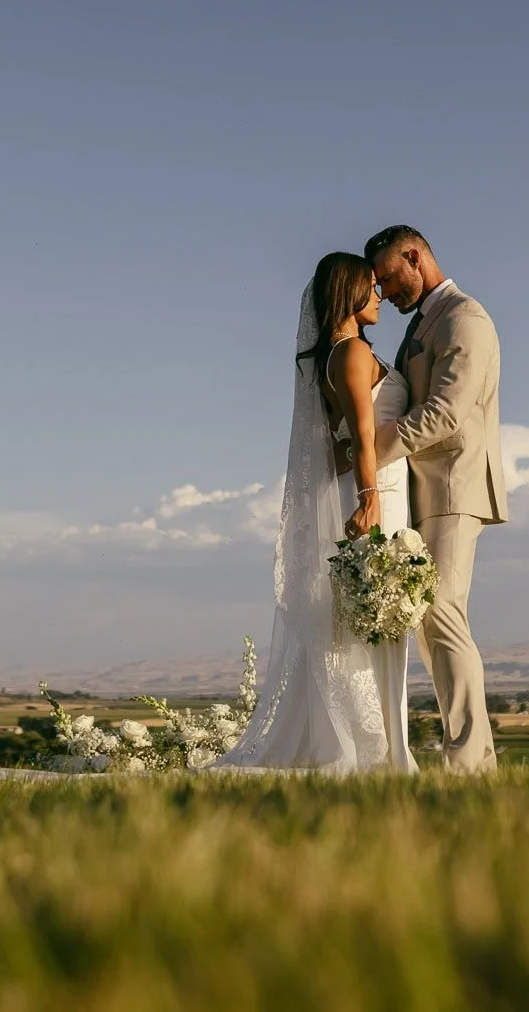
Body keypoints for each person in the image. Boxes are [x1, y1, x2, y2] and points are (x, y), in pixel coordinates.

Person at [210, 252, 418, 773]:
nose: (378, 297)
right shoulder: (349, 355)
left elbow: (342, 445)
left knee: (373, 616)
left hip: (383, 488)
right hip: (377, 498)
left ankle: (385, 746)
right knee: (368, 618)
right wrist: (370, 499)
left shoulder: (351, 352)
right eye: (370, 288)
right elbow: (363, 438)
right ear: (348, 293)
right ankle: (368, 748)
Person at [364, 225, 506, 773]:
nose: (383, 290)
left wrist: (370, 452)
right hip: (422, 490)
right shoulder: (425, 320)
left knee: (442, 616)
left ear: (414, 256)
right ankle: (476, 761)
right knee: (433, 622)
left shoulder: (464, 318)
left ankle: (468, 765)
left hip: (453, 484)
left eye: (387, 277)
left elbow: (447, 411)